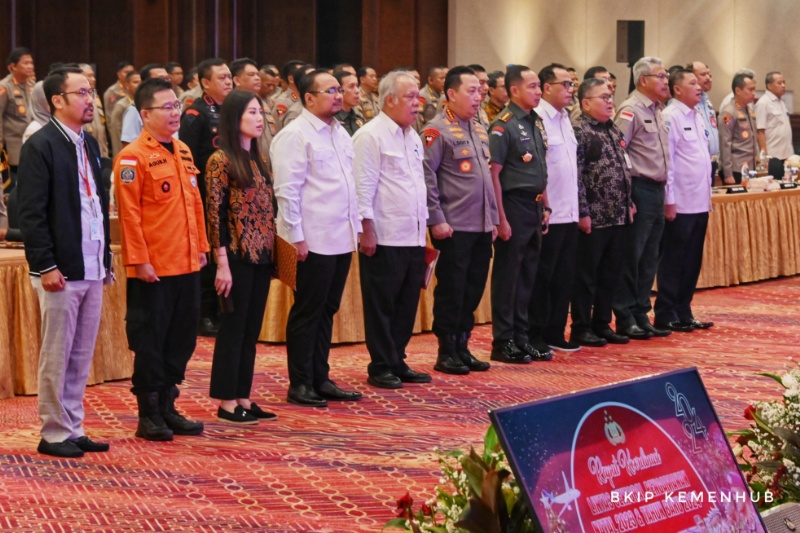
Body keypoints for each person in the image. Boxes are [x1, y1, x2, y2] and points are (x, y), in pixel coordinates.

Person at [17, 66, 112, 457]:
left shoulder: (87, 142)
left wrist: (105, 259)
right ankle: (53, 430)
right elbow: (31, 214)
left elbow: (96, 205)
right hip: (61, 266)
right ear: (57, 100)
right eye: (81, 93)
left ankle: (73, 425)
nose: (90, 100)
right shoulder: (40, 145)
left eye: (91, 92)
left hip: (91, 263)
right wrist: (46, 264)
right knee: (57, 351)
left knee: (81, 352)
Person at [114, 78, 209, 441]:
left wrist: (200, 246)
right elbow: (130, 215)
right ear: (145, 114)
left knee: (182, 338)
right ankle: (149, 413)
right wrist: (139, 262)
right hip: (154, 269)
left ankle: (169, 405)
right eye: (166, 108)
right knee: (151, 340)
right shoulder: (132, 157)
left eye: (176, 106)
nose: (175, 113)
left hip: (186, 263)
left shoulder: (183, 150)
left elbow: (195, 204)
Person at [271, 69, 363, 407]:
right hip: (312, 238)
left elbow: (347, 185)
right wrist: (295, 236)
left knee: (328, 309)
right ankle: (300, 383)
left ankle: (320, 377)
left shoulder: (340, 133)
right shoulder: (295, 135)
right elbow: (287, 190)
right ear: (308, 98)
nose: (338, 96)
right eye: (330, 91)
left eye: (339, 90)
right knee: (307, 311)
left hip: (341, 235)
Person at [353, 71, 432, 390]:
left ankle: (397, 359)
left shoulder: (413, 136)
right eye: (410, 97)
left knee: (406, 303)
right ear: (390, 100)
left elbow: (418, 185)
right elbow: (363, 187)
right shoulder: (370, 136)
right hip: (383, 235)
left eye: (418, 97)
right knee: (382, 303)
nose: (417, 103)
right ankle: (381, 365)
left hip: (412, 234)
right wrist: (366, 230)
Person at [206, 89, 277, 424]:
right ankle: (225, 400)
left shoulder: (260, 159)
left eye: (260, 112)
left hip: (261, 254)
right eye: (251, 113)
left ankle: (243, 396)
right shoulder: (220, 160)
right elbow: (214, 215)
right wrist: (221, 263)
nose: (259, 118)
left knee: (251, 330)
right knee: (233, 329)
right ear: (235, 118)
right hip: (234, 257)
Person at [423, 65, 496, 374]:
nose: (478, 96)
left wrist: (492, 218)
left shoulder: (479, 128)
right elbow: (426, 178)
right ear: (451, 94)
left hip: (480, 225)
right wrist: (436, 219)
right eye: (471, 91)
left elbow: (487, 178)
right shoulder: (436, 130)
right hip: (453, 226)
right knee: (452, 288)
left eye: (480, 91)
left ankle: (463, 345)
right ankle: (446, 349)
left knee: (473, 287)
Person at [489, 65, 551, 364]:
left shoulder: (536, 122)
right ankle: (503, 341)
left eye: (539, 86)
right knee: (508, 277)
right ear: (514, 90)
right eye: (533, 86)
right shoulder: (504, 125)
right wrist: (500, 217)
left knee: (528, 276)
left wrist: (546, 204)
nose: (539, 91)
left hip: (534, 205)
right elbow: (494, 176)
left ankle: (522, 338)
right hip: (512, 205)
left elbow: (540, 167)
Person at [570, 78, 635, 347]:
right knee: (587, 276)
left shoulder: (614, 130)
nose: (610, 101)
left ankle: (602, 323)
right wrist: (583, 212)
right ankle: (582, 326)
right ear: (586, 103)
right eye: (603, 97)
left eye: (610, 97)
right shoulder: (580, 131)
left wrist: (629, 202)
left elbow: (623, 168)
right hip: (593, 217)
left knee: (611, 273)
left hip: (618, 215)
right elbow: (577, 175)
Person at [612, 56, 672, 341]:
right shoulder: (630, 110)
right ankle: (624, 316)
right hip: (638, 188)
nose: (666, 81)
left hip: (657, 190)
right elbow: (618, 153)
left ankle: (640, 312)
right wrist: (627, 196)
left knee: (650, 257)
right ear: (643, 80)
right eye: (660, 76)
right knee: (632, 256)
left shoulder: (658, 110)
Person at [653, 69, 714, 333]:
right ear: (677, 89)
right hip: (680, 202)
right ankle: (666, 313)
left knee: (692, 260)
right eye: (692, 83)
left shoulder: (697, 115)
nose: (699, 86)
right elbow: (669, 163)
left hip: (700, 200)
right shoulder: (671, 116)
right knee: (674, 260)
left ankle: (684, 310)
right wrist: (670, 201)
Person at [180, 57, 233, 336]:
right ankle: (206, 313)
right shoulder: (196, 115)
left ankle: (225, 309)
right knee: (209, 256)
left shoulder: (233, 111)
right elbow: (186, 158)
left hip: (231, 194)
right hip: (203, 194)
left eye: (229, 77)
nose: (228, 81)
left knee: (227, 254)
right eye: (222, 78)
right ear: (205, 83)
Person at [530, 64, 580, 353]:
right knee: (543, 277)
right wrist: (545, 205)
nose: (570, 90)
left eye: (572, 85)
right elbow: (540, 168)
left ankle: (556, 331)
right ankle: (536, 333)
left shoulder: (565, 119)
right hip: (550, 211)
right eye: (565, 84)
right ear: (546, 87)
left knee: (564, 277)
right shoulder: (539, 120)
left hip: (570, 211)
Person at [0, 47, 36, 190]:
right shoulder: (4, 87)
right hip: (13, 148)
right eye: (25, 63)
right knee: (15, 188)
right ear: (12, 67)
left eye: (31, 63)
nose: (30, 66)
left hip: (32, 144)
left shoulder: (33, 86)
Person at [718, 72, 757, 185]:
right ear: (738, 90)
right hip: (735, 169)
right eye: (750, 89)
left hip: (749, 167)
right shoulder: (729, 112)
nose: (754, 93)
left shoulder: (748, 110)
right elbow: (725, 143)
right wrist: (728, 173)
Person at [120, 63, 170, 146]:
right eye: (161, 79)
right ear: (146, 83)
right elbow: (128, 144)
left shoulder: (174, 107)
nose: (166, 82)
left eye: (167, 78)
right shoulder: (135, 110)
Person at [755, 71, 793, 177]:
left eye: (784, 82)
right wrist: (765, 156)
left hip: (786, 155)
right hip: (773, 157)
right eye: (779, 83)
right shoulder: (763, 103)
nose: (783, 85)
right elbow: (760, 131)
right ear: (769, 85)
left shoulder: (781, 102)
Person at [689, 61, 720, 182]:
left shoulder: (707, 102)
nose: (708, 78)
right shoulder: (688, 103)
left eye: (709, 74)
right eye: (703, 74)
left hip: (712, 162)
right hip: (696, 164)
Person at [79, 63, 109, 158]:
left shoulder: (95, 98)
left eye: (93, 76)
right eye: (89, 76)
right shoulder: (77, 101)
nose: (94, 79)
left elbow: (102, 129)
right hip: (86, 154)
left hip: (101, 153)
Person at [109, 70, 141, 157]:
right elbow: (116, 135)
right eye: (135, 82)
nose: (139, 85)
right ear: (127, 85)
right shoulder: (121, 106)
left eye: (141, 82)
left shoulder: (141, 104)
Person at [272, 60, 309, 131]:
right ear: (291, 79)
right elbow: (277, 130)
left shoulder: (305, 98)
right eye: (303, 75)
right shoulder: (282, 102)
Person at [334, 70, 364, 136]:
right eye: (351, 86)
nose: (357, 91)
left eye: (357, 86)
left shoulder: (358, 118)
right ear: (339, 91)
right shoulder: (332, 121)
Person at [468, 64, 491, 129]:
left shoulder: (482, 110)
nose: (486, 87)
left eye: (487, 83)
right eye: (481, 82)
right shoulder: (460, 111)